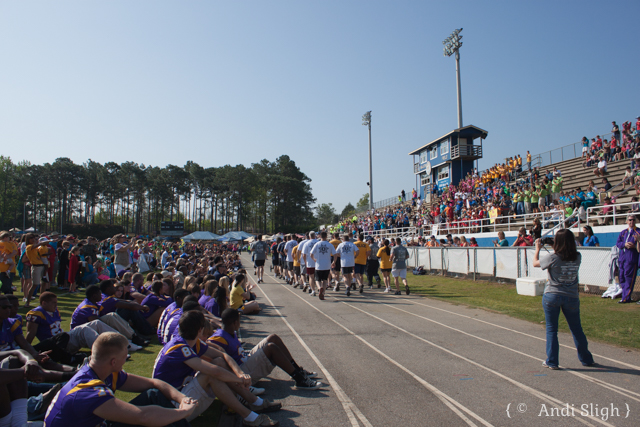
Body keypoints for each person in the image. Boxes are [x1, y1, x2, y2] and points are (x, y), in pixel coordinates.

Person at [153, 311, 280, 427]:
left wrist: (240, 373)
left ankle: (253, 402)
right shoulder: (180, 348)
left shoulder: (188, 342)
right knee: (210, 376)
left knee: (218, 362)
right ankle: (250, 416)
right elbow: (214, 371)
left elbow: (223, 355)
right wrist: (240, 380)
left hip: (175, 396)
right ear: (200, 330)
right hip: (169, 406)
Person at [45, 332, 197, 427]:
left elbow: (154, 383)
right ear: (113, 361)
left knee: (153, 395)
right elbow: (143, 417)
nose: (126, 361)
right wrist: (182, 412)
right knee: (150, 419)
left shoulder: (102, 372)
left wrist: (182, 398)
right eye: (124, 358)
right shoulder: (88, 391)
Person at [210, 308, 321, 391]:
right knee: (270, 348)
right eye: (239, 321)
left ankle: (297, 370)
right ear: (234, 323)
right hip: (242, 370)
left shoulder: (229, 331)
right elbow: (208, 346)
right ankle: (299, 380)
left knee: (273, 338)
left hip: (245, 358)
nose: (239, 324)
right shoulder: (219, 337)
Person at [533, 230, 595, 370]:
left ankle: (552, 361)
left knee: (552, 330)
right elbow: (565, 253)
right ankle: (586, 358)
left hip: (553, 295)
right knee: (576, 329)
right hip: (571, 296)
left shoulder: (553, 257)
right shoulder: (577, 256)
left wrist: (537, 249)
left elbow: (535, 263)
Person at [615, 215, 640, 303]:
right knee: (621, 277)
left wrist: (635, 245)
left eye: (633, 220)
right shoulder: (623, 232)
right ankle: (625, 296)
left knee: (629, 277)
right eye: (629, 220)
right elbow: (618, 243)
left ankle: (626, 297)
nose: (631, 222)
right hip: (623, 258)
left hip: (631, 258)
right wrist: (624, 245)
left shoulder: (638, 232)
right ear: (626, 221)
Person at [309, 231, 336, 300]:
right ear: (326, 236)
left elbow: (311, 254)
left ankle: (319, 288)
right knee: (324, 280)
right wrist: (334, 262)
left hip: (318, 265)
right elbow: (335, 254)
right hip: (327, 265)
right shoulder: (330, 245)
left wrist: (314, 259)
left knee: (317, 279)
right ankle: (323, 292)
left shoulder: (317, 244)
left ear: (320, 236)